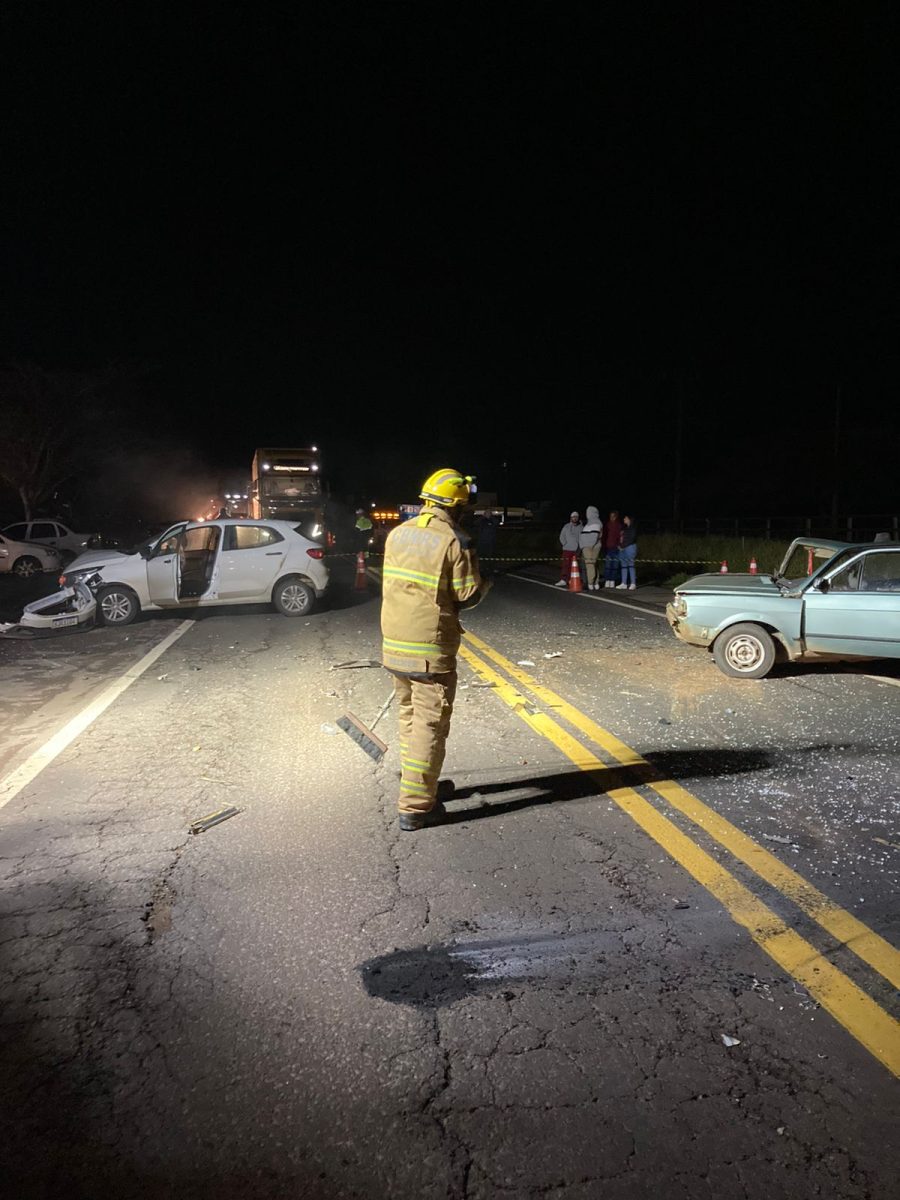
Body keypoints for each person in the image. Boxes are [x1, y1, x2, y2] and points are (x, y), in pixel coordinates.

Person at [381, 468, 491, 832]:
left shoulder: (399, 534)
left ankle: (421, 784)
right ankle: (415, 806)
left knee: (410, 717)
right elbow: (466, 595)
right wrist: (485, 582)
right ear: (456, 506)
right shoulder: (455, 540)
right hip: (429, 649)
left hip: (394, 643)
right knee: (430, 724)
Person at [579, 505, 603, 590]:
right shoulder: (589, 523)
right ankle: (595, 582)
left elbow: (594, 536)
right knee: (593, 564)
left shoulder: (596, 523)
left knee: (590, 564)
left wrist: (588, 545)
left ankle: (591, 583)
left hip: (591, 547)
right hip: (586, 546)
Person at [556, 511, 582, 587]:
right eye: (573, 517)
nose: (575, 518)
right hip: (567, 549)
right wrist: (565, 544)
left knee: (573, 566)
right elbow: (562, 536)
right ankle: (563, 579)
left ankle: (572, 579)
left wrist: (579, 547)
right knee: (565, 565)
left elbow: (581, 538)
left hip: (575, 550)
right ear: (571, 518)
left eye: (576, 517)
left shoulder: (581, 528)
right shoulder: (566, 526)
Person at [602, 509, 622, 588]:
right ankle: (607, 580)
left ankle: (612, 580)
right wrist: (604, 546)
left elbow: (620, 536)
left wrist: (619, 545)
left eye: (613, 516)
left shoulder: (619, 525)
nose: (611, 518)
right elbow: (604, 536)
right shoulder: (607, 525)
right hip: (608, 548)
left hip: (616, 548)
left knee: (615, 565)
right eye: (610, 516)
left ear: (616, 517)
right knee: (608, 565)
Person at [617, 514, 638, 589]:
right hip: (623, 548)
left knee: (631, 564)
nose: (624, 519)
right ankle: (624, 583)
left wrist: (623, 546)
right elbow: (621, 537)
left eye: (625, 518)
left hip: (630, 547)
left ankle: (633, 583)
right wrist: (619, 545)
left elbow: (631, 539)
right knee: (623, 565)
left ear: (629, 519)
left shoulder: (633, 528)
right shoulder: (625, 528)